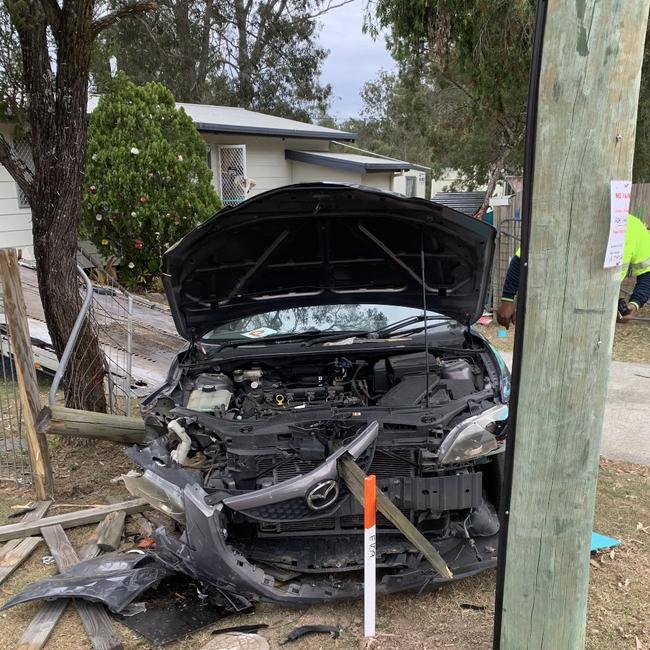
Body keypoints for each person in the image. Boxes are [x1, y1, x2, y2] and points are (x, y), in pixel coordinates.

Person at [496, 214, 650, 328]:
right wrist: (507, 300)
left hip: (597, 316)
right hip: (547, 310)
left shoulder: (634, 228)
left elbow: (646, 273)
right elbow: (521, 258)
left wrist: (634, 304)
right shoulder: (561, 218)